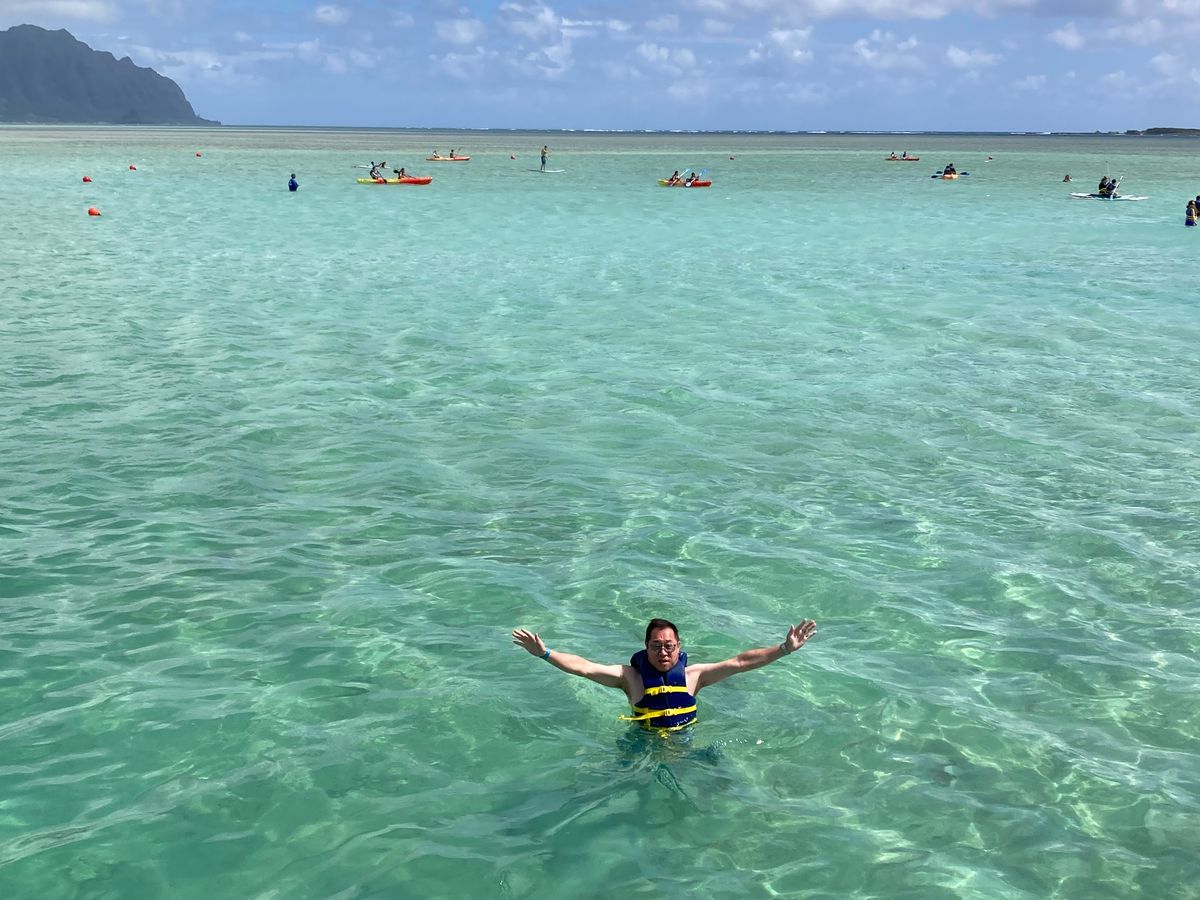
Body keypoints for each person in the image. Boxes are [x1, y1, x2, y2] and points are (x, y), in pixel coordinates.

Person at [511, 617, 817, 733]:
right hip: (642, 746)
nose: (663, 652)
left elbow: (740, 662)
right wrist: (545, 653)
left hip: (686, 744)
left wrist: (784, 649)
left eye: (669, 646)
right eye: (656, 646)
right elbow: (583, 666)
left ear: (678, 646)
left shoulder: (695, 676)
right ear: (646, 648)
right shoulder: (629, 677)